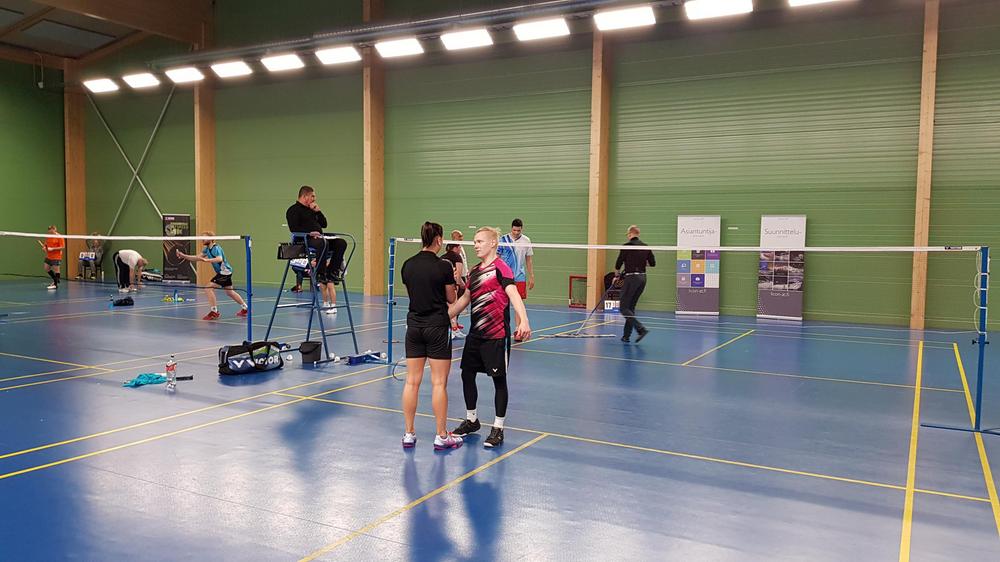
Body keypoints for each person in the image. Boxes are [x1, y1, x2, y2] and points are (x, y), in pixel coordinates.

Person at [449, 227, 531, 449]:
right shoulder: (475, 271)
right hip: (475, 335)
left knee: (499, 380)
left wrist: (524, 320)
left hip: (496, 336)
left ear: (493, 243)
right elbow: (464, 299)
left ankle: (498, 428)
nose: (475, 245)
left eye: (480, 241)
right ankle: (472, 420)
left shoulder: (501, 268)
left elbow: (513, 294)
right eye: (475, 241)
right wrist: (443, 317)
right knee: (467, 374)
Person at [400, 222, 462, 450]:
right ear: (438, 240)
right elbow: (452, 299)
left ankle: (409, 433)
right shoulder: (443, 265)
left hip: (414, 328)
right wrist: (454, 282)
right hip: (437, 327)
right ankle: (441, 435)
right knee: (439, 383)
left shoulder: (407, 265)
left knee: (411, 381)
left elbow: (412, 294)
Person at [285, 186, 348, 314]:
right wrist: (309, 233)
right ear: (304, 196)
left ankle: (332, 272)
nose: (314, 199)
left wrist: (318, 211)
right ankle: (320, 273)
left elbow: (324, 224)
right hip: (305, 240)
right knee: (322, 243)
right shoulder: (293, 210)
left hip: (319, 238)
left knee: (341, 243)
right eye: (312, 196)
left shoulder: (312, 210)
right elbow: (294, 229)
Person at [176, 232, 249, 320]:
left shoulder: (216, 248)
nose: (202, 240)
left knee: (208, 288)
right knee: (230, 292)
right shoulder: (206, 249)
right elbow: (197, 257)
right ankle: (245, 308)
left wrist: (206, 260)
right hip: (224, 272)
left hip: (224, 272)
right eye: (202, 238)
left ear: (211, 239)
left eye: (204, 238)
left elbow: (219, 259)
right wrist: (183, 256)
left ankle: (214, 312)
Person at [615, 225, 655, 343]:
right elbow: (652, 263)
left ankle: (641, 329)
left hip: (632, 278)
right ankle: (626, 336)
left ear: (630, 234)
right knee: (630, 308)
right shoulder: (646, 247)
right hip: (642, 278)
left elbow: (618, 263)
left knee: (623, 308)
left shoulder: (626, 246)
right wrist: (640, 263)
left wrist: (616, 276)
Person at [497, 218, 534, 300]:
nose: (516, 232)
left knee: (519, 301)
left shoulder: (526, 240)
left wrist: (531, 276)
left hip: (519, 276)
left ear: (522, 229)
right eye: (514, 230)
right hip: (505, 275)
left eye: (518, 231)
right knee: (503, 300)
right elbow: (497, 258)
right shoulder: (503, 239)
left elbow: (529, 260)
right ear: (511, 228)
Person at [440, 243, 466, 339]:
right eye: (459, 247)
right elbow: (458, 274)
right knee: (454, 307)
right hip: (452, 285)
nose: (460, 249)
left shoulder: (442, 257)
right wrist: (460, 285)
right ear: (455, 248)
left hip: (441, 285)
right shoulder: (457, 257)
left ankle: (450, 329)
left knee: (446, 307)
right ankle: (454, 330)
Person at [39, 225, 64, 290]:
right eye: (49, 230)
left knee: (56, 270)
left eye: (52, 230)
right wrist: (44, 248)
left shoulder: (59, 237)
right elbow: (46, 245)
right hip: (49, 256)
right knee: (46, 268)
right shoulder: (49, 236)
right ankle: (56, 280)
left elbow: (62, 247)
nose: (50, 231)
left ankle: (55, 284)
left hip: (56, 256)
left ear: (55, 229)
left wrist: (53, 249)